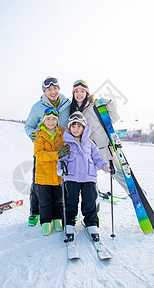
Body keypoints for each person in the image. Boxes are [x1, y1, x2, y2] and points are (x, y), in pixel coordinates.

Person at [25, 77, 71, 226]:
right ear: (44, 91)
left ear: (58, 88)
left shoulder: (67, 104)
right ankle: (35, 212)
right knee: (39, 182)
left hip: (62, 148)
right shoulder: (38, 107)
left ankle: (63, 212)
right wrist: (33, 134)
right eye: (48, 89)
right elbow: (29, 126)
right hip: (44, 148)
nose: (52, 91)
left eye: (54, 88)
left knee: (62, 182)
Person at [58, 112, 110, 241]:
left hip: (88, 178)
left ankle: (91, 223)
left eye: (79, 126)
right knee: (70, 202)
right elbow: (62, 159)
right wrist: (60, 166)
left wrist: (104, 166)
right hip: (72, 178)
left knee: (89, 202)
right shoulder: (67, 145)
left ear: (84, 128)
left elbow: (97, 158)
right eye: (73, 126)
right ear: (70, 128)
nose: (76, 129)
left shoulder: (90, 144)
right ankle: (69, 223)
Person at [70, 79, 128, 194]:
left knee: (122, 176)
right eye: (76, 91)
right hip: (89, 153)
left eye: (82, 91)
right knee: (90, 184)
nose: (79, 94)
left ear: (87, 93)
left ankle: (139, 199)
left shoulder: (94, 107)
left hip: (106, 150)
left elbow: (113, 119)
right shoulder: (73, 111)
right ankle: (95, 208)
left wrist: (108, 103)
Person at [34, 108, 70, 236]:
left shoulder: (61, 134)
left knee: (58, 199)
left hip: (58, 174)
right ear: (44, 121)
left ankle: (57, 219)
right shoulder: (40, 135)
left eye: (54, 119)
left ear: (57, 121)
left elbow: (67, 149)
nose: (51, 121)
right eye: (48, 119)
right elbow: (39, 154)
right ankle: (45, 221)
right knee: (45, 200)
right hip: (43, 174)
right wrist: (56, 154)